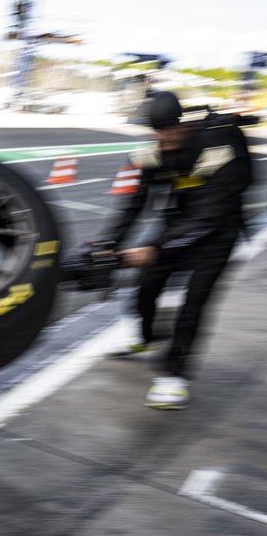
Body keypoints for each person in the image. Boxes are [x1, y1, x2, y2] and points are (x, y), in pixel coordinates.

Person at [103, 90, 254, 409]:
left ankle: (174, 376)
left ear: (182, 124)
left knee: (194, 301)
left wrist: (154, 247)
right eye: (158, 130)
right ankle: (144, 337)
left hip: (219, 230)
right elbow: (134, 205)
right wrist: (107, 244)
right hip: (178, 222)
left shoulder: (216, 147)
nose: (165, 136)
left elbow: (210, 213)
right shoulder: (155, 152)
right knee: (146, 286)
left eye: (170, 128)